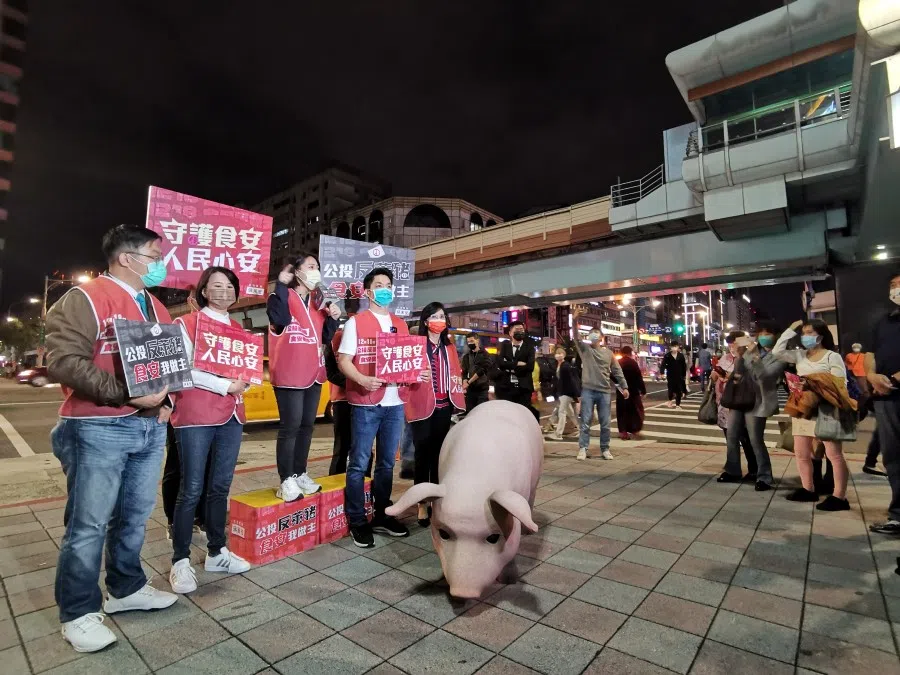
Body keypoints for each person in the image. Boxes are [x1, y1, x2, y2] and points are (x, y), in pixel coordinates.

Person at [46, 224, 177, 653]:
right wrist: (128, 394)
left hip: (147, 428)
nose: (161, 263)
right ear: (127, 257)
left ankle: (125, 588)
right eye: (155, 255)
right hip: (96, 426)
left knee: (135, 515)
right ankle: (78, 613)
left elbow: (167, 365)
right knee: (88, 525)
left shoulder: (156, 306)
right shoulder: (85, 297)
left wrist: (164, 403)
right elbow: (65, 362)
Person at [169, 267, 252, 593]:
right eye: (216, 285)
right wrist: (225, 385)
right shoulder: (185, 324)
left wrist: (242, 384)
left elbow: (243, 369)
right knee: (190, 489)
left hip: (231, 415)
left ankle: (217, 551)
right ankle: (180, 561)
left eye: (229, 286)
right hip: (196, 415)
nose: (224, 291)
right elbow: (182, 371)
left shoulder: (236, 327)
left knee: (219, 488)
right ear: (203, 291)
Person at [338, 267, 426, 547]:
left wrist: (418, 373)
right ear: (367, 291)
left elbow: (407, 362)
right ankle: (357, 520)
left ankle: (381, 514)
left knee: (387, 464)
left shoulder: (400, 324)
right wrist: (362, 379)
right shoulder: (356, 323)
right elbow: (343, 360)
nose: (385, 288)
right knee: (360, 463)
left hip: (394, 403)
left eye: (388, 284)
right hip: (366, 403)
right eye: (379, 284)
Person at [267, 253, 341, 501]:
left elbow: (324, 338)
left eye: (317, 267)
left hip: (314, 373)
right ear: (296, 272)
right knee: (291, 427)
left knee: (307, 426)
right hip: (289, 372)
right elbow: (280, 320)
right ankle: (285, 479)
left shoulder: (316, 304)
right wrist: (280, 283)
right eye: (310, 267)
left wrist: (333, 318)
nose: (315, 271)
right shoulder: (281, 296)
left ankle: (299, 472)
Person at [774, 319, 852, 510]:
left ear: (821, 335)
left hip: (826, 410)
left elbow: (840, 384)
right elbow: (777, 352)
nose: (806, 336)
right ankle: (808, 489)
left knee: (834, 455)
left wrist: (811, 383)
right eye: (804, 333)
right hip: (803, 408)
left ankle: (839, 497)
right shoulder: (800, 355)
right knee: (802, 453)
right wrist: (790, 329)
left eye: (810, 332)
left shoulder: (832, 356)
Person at [406, 303, 466, 526]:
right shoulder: (415, 344)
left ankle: (437, 500)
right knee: (422, 456)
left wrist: (458, 397)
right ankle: (422, 503)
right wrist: (414, 374)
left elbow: (455, 374)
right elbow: (404, 372)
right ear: (425, 321)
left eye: (442, 316)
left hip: (444, 407)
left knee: (439, 456)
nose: (439, 320)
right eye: (434, 316)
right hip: (421, 407)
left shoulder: (449, 347)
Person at [717, 322, 786, 491]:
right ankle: (732, 470)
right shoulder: (750, 352)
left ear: (775, 336)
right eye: (761, 333)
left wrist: (753, 354)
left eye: (767, 333)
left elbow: (765, 376)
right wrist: (740, 354)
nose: (763, 337)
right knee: (732, 435)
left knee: (756, 439)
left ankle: (764, 476)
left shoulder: (778, 355)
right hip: (740, 399)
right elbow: (738, 372)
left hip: (758, 402)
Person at [866, 270, 900, 534]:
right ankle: (897, 514)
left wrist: (894, 379)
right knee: (893, 457)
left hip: (893, 389)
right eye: (892, 285)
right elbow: (870, 353)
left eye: (899, 284)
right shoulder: (885, 322)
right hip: (886, 398)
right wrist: (871, 375)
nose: (894, 289)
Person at [571, 308, 628, 461]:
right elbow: (575, 337)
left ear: (602, 338)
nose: (594, 335)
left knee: (605, 423)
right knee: (586, 421)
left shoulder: (608, 354)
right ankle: (583, 448)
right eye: (592, 333)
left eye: (597, 333)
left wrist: (624, 387)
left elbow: (617, 371)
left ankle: (605, 448)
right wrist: (574, 319)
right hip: (588, 390)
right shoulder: (585, 350)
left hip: (604, 392)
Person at [713, 332, 758, 480]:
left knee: (747, 439)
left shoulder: (751, 358)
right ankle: (733, 470)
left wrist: (731, 377)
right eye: (730, 343)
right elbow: (716, 378)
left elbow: (755, 379)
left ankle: (754, 470)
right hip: (726, 404)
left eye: (734, 342)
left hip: (744, 404)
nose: (732, 346)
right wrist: (715, 375)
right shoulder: (725, 358)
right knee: (730, 439)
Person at [495, 320, 538, 421]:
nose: (520, 331)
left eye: (521, 329)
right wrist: (517, 364)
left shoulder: (529, 348)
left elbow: (530, 367)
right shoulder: (505, 346)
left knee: (523, 416)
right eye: (517, 330)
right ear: (510, 333)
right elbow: (500, 364)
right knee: (508, 416)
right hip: (506, 387)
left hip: (524, 388)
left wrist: (509, 367)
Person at [547, 347, 581, 440]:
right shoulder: (558, 365)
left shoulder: (565, 366)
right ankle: (581, 429)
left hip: (566, 392)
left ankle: (558, 434)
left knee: (562, 412)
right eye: (557, 353)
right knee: (570, 414)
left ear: (564, 355)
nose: (558, 354)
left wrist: (575, 394)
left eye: (561, 353)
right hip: (563, 392)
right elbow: (557, 381)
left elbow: (570, 381)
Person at [616, 346, 646, 440]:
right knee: (636, 411)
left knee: (621, 412)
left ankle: (623, 432)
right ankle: (635, 429)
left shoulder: (618, 363)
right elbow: (638, 377)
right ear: (630, 353)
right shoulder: (633, 363)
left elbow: (612, 375)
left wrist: (618, 384)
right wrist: (643, 390)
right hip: (633, 391)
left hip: (621, 391)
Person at [461, 335, 490, 413]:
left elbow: (482, 371)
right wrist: (464, 382)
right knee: (469, 412)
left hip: (482, 389)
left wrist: (468, 382)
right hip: (470, 390)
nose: (470, 343)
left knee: (481, 412)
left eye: (472, 341)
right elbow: (464, 372)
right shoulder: (466, 357)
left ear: (477, 341)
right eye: (468, 342)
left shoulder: (485, 354)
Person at [662, 342, 688, 408]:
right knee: (670, 389)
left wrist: (684, 375)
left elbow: (683, 366)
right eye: (673, 346)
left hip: (679, 375)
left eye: (676, 346)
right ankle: (670, 401)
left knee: (679, 390)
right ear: (671, 347)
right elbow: (663, 365)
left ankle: (678, 404)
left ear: (678, 347)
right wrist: (662, 373)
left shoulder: (680, 356)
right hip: (670, 375)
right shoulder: (667, 356)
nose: (674, 348)